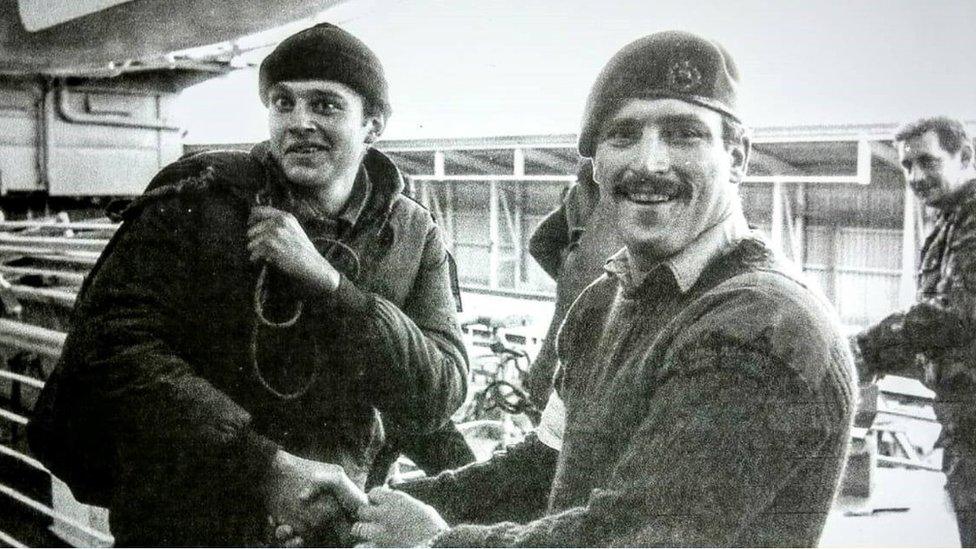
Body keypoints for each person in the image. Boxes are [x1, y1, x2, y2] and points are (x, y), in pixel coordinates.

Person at [346, 30, 859, 547]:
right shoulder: (603, 302)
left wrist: (438, 542)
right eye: (622, 135)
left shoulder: (762, 326)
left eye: (684, 134)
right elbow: (543, 468)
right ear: (595, 161)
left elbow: (640, 535)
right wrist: (373, 512)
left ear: (739, 156)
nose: (649, 163)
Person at [27, 23, 469, 546]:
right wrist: (263, 467)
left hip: (326, 529)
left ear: (372, 124)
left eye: (325, 105)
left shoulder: (413, 233)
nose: (299, 123)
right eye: (283, 103)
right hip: (186, 525)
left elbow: (439, 390)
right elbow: (109, 347)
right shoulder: (201, 197)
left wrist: (330, 286)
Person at [855, 116, 976, 547]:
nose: (916, 176)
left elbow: (954, 314)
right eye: (907, 166)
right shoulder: (949, 220)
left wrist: (868, 348)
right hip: (964, 419)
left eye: (928, 161)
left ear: (964, 156)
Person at [524, 159, 624, 409]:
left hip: (574, 307)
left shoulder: (576, 195)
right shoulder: (630, 202)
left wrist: (569, 275)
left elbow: (540, 242)